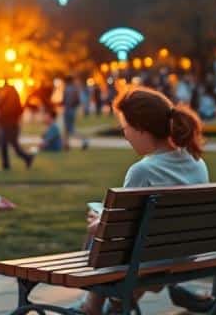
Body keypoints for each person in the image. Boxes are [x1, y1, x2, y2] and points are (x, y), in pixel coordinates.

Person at [82, 87, 209, 315]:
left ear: (141, 129)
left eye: (125, 128)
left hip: (150, 261)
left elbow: (118, 231)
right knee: (132, 242)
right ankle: (118, 306)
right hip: (184, 255)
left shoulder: (143, 170)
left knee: (100, 236)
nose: (125, 135)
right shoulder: (196, 161)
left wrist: (97, 224)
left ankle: (90, 307)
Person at [0, 83, 32, 169]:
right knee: (7, 144)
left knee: (11, 145)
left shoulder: (9, 96)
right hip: (10, 124)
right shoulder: (13, 96)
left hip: (10, 125)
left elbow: (2, 108)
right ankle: (7, 164)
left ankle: (27, 158)